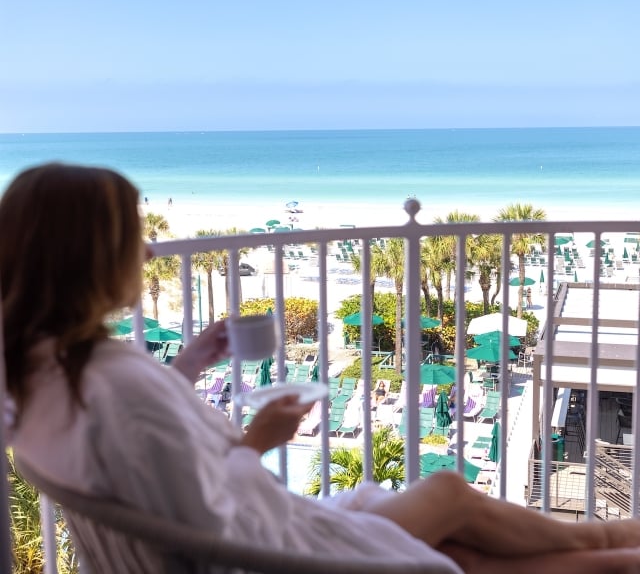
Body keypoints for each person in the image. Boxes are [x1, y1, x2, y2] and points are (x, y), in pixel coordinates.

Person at [3, 164, 640, 574]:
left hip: (246, 541)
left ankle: (610, 548)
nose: (146, 249)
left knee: (456, 520)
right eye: (130, 236)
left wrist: (190, 364)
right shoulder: (116, 380)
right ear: (87, 258)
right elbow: (204, 513)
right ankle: (609, 550)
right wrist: (261, 440)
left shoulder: (41, 374)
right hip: (263, 552)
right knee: (456, 526)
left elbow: (133, 444)